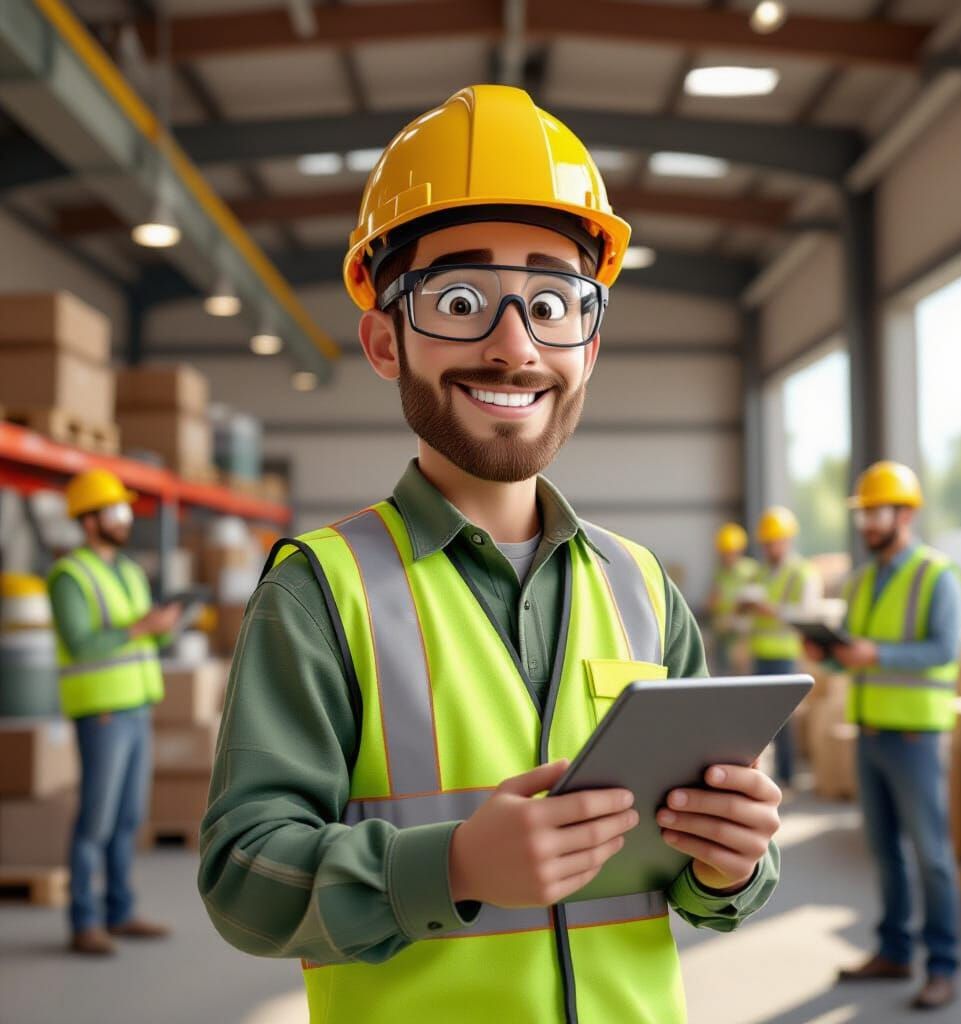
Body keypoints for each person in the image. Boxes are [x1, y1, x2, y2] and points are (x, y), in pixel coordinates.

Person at [198, 85, 782, 1023]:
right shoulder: (321, 590)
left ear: (589, 343)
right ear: (384, 340)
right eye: (461, 299)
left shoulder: (643, 590)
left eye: (553, 301)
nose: (515, 347)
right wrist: (456, 865)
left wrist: (734, 859)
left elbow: (697, 887)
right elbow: (242, 880)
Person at [805, 461, 961, 1011]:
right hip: (870, 731)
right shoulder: (863, 580)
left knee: (932, 857)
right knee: (885, 853)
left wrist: (877, 654)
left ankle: (942, 966)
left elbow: (945, 651)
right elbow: (856, 658)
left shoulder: (936, 575)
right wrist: (829, 654)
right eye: (864, 514)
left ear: (908, 513)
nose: (868, 524)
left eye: (877, 512)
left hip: (916, 736)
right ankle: (894, 950)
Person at [47, 468, 181, 955]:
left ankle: (120, 913)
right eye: (115, 510)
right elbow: (81, 643)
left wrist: (165, 625)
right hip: (102, 714)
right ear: (88, 521)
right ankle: (84, 923)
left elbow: (145, 634)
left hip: (137, 708)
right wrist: (142, 627)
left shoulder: (126, 570)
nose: (125, 518)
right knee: (95, 823)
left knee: (128, 820)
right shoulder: (69, 576)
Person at [743, 506, 821, 789]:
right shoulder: (760, 572)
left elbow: (807, 613)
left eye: (772, 541)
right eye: (765, 542)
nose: (768, 548)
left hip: (785, 656)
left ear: (787, 540)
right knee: (758, 722)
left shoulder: (802, 572)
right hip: (760, 653)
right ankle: (760, 775)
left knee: (784, 722)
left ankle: (787, 777)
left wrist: (770, 610)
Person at [707, 522, 759, 674]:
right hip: (723, 634)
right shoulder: (721, 573)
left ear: (739, 550)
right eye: (724, 552)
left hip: (743, 637)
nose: (726, 556)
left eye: (730, 552)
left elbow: (752, 604)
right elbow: (713, 602)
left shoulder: (751, 571)